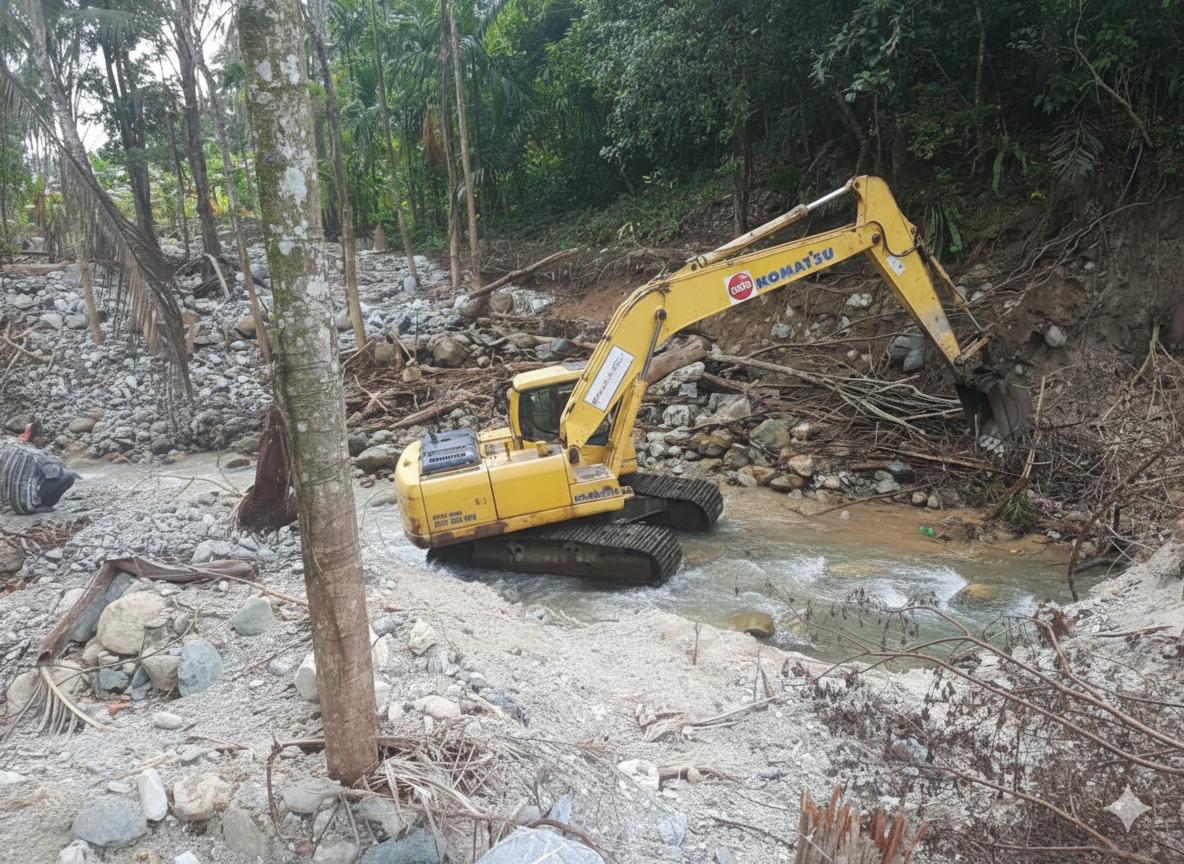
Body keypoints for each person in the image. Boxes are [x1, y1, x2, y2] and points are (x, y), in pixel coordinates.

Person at [0, 425, 80, 514]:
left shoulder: (5, 445)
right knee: (69, 476)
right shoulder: (34, 453)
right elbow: (54, 473)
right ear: (35, 437)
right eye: (41, 436)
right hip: (25, 506)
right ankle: (41, 505)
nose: (44, 439)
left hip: (8, 503)